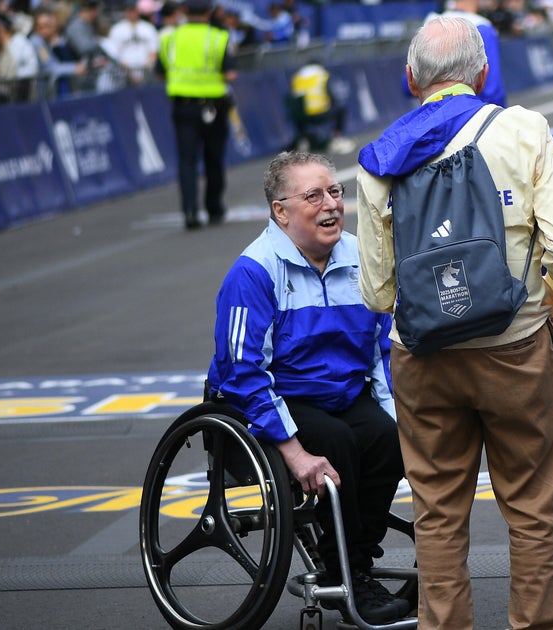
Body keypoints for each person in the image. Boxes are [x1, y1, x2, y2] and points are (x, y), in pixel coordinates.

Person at [356, 16, 553, 629]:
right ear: (484, 74)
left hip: (423, 356)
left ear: (411, 79)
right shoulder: (524, 129)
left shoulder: (379, 158)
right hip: (516, 344)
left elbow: (377, 292)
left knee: (436, 512)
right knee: (532, 507)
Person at [206, 151, 411, 627]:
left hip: (341, 395)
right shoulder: (253, 272)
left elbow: (384, 355)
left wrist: (404, 424)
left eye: (335, 192)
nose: (331, 204)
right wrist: (294, 452)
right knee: (338, 443)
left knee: (386, 439)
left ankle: (354, 562)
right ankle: (349, 572)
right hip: (270, 402)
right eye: (313, 195)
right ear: (281, 211)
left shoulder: (363, 257)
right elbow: (241, 373)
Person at [155, 0, 235, 229]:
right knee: (214, 158)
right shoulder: (218, 38)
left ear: (183, 12)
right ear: (209, 12)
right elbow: (230, 73)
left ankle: (190, 212)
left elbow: (160, 73)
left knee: (187, 161)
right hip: (213, 105)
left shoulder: (169, 38)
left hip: (183, 106)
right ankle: (214, 208)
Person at [105, 0, 160, 85]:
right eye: (130, 10)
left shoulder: (148, 28)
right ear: (125, 11)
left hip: (146, 73)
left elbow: (153, 51)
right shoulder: (117, 29)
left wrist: (146, 68)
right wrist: (129, 73)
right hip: (123, 75)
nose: (132, 13)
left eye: (134, 10)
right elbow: (114, 54)